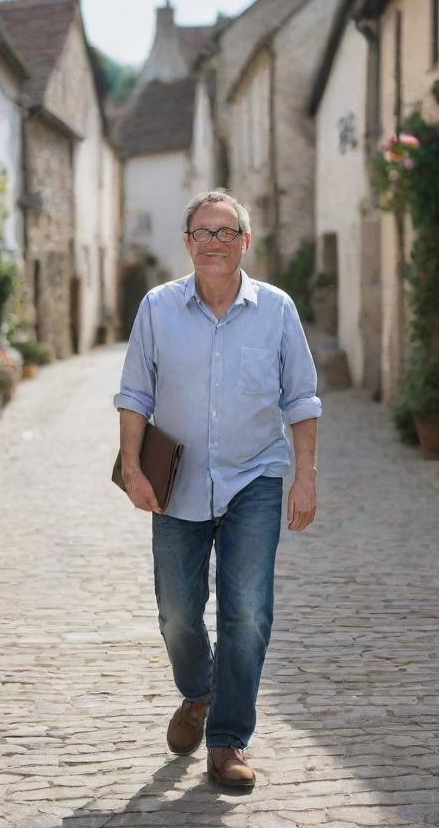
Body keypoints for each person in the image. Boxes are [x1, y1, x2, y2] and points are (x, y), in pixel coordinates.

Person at [113, 188, 321, 790]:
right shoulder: (157, 308)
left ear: (245, 243)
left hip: (254, 474)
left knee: (247, 612)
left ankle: (228, 739)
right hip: (177, 483)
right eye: (202, 233)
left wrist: (304, 476)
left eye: (225, 232)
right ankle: (198, 694)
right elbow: (135, 394)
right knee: (178, 614)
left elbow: (301, 399)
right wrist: (132, 466)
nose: (212, 243)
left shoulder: (278, 310)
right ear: (186, 243)